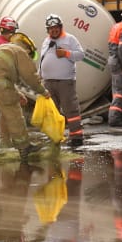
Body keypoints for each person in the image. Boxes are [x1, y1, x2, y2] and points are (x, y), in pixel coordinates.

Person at [0, 32, 49, 160]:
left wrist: (17, 93)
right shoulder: (20, 51)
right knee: (13, 114)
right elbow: (29, 75)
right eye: (30, 55)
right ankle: (24, 147)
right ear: (27, 48)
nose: (29, 57)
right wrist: (43, 91)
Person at [39, 13, 86, 146]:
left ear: (61, 27)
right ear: (47, 30)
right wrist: (39, 74)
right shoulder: (46, 41)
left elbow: (81, 55)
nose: (54, 30)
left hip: (65, 82)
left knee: (70, 109)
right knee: (52, 112)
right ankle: (54, 137)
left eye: (56, 28)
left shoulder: (70, 39)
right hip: (48, 82)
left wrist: (66, 53)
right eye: (51, 28)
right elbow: (42, 59)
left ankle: (76, 137)